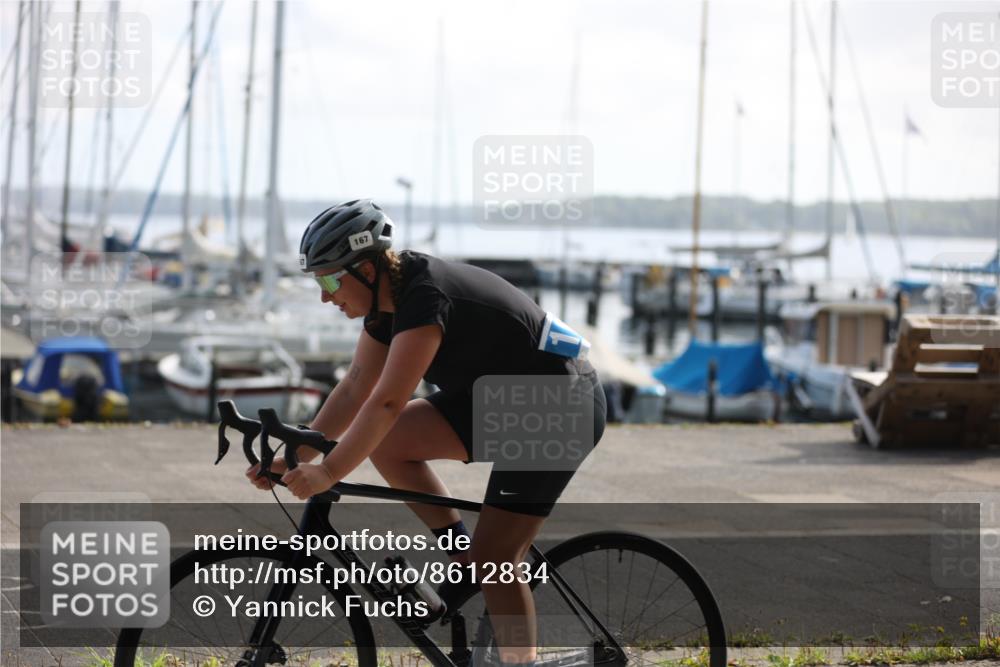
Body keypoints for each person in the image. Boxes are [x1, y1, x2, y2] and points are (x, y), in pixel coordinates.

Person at [247, 198, 606, 666]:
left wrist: (331, 470)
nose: (325, 295)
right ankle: (462, 555)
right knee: (392, 443)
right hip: (502, 396)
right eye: (319, 282)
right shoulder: (386, 305)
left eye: (331, 279)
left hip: (559, 403)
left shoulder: (424, 297)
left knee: (495, 562)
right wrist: (299, 455)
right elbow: (356, 386)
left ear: (368, 270)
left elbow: (389, 399)